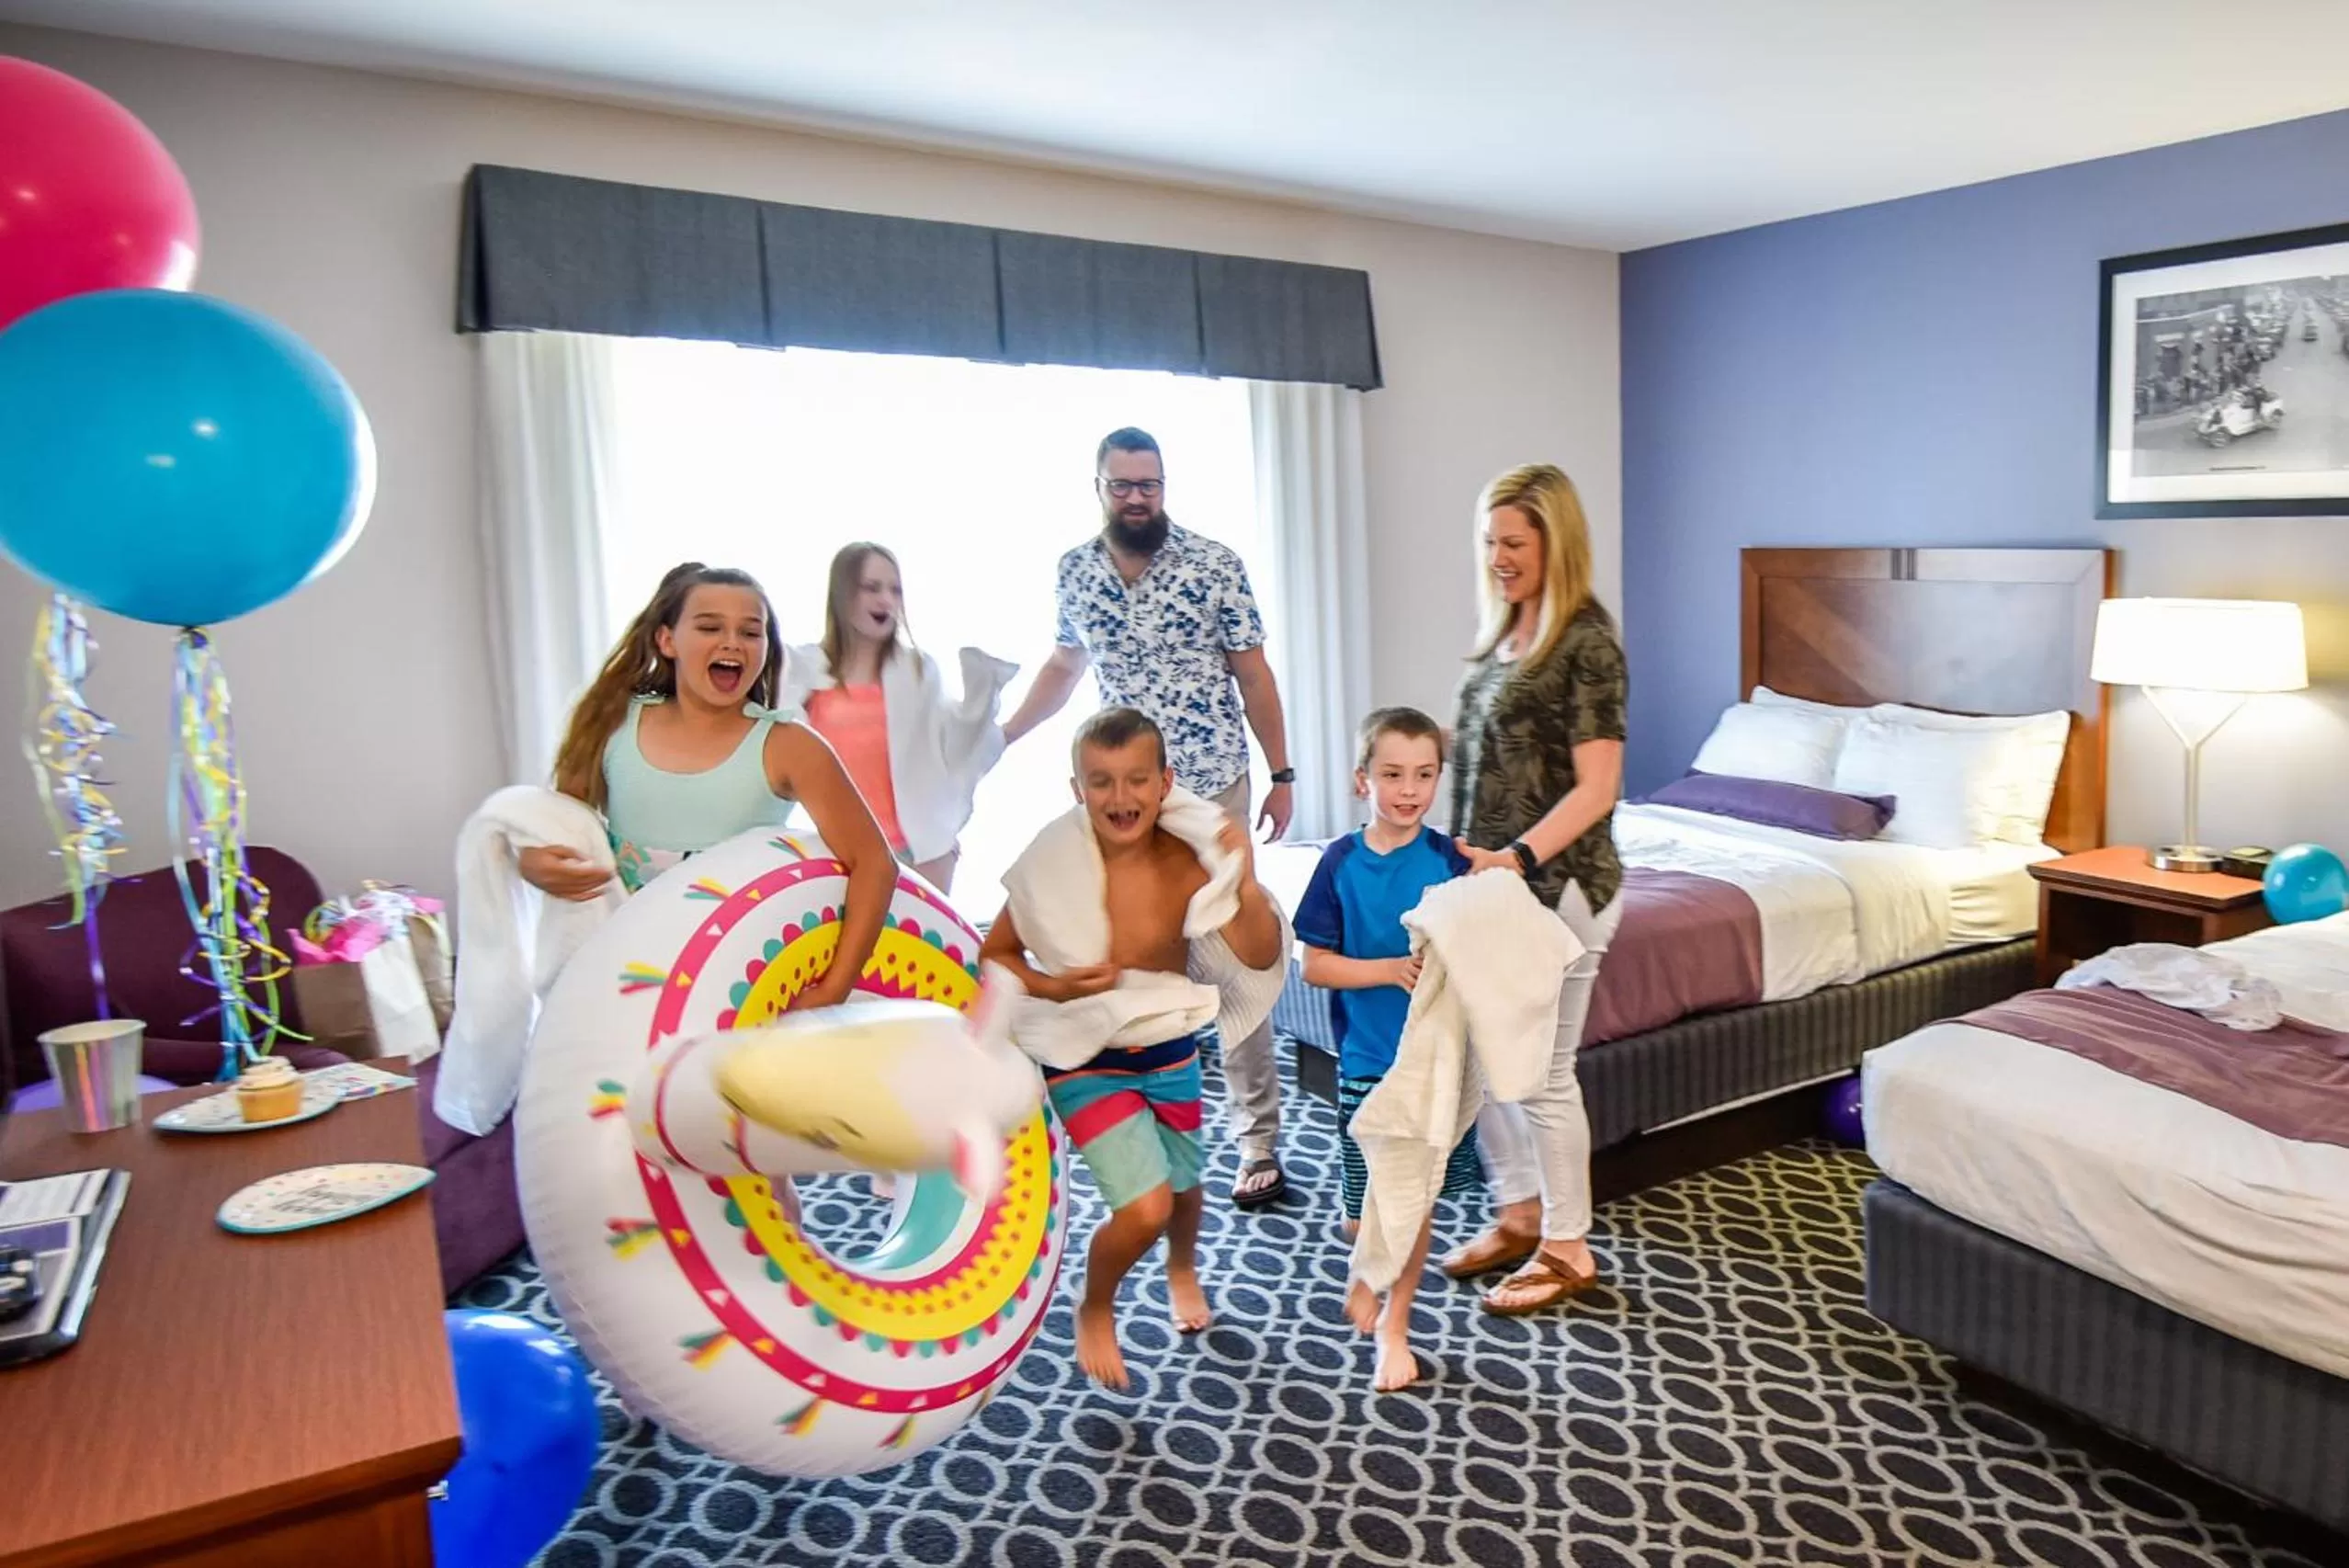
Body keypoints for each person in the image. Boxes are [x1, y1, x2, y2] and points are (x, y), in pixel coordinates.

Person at [1001, 426, 1299, 1210]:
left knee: (1232, 957)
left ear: (1166, 487)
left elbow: (1254, 673)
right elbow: (1065, 667)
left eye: (1151, 485)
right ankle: (1140, 1125)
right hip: (1124, 798)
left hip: (1206, 785)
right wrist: (999, 737)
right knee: (1131, 952)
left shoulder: (1213, 564)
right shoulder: (1076, 572)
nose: (1139, 498)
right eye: (1124, 485)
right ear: (1099, 487)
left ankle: (1257, 1139)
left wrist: (1283, 772)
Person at [979, 709, 1284, 1390]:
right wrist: (1053, 987)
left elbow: (1259, 953)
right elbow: (995, 954)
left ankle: (1182, 1268)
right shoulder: (1050, 862)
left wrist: (1248, 880)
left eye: (1137, 781)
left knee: (1184, 1190)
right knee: (1142, 1206)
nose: (1121, 799)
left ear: (1165, 781)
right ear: (1076, 788)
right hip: (1084, 1055)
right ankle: (1096, 1304)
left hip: (1168, 1048)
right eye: (1102, 783)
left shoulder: (1185, 863)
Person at [519, 562, 896, 1018]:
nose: (732, 642)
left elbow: (876, 864)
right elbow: (566, 833)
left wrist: (834, 988)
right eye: (709, 626)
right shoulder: (612, 724)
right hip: (625, 969)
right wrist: (534, 863)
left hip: (739, 976)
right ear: (666, 640)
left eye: (750, 632)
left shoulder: (790, 746)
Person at [1436, 464, 1630, 1316]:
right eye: (1490, 542)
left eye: (1514, 542)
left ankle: (1568, 1247)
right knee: (1481, 1058)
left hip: (1562, 889)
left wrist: (1514, 854)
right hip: (1493, 888)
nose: (1499, 557)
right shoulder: (1506, 631)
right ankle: (1516, 1212)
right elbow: (1488, 741)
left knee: (1544, 1076)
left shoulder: (1586, 641)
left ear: (1557, 542)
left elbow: (1598, 787)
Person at [1293, 707, 1480, 1392]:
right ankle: (1365, 1261)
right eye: (1393, 774)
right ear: (1360, 780)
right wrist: (1388, 971)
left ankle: (1395, 1328)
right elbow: (1313, 965)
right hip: (1366, 1061)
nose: (1409, 790)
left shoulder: (1451, 861)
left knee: (1412, 1203)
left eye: (1425, 775)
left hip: (1432, 1064)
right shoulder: (1338, 864)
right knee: (1362, 1211)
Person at [780, 542, 1017, 895]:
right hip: (840, 854)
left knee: (921, 949)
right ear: (844, 594)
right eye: (872, 588)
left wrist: (983, 692)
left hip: (920, 854)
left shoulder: (918, 671)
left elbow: (953, 748)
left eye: (895, 590)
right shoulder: (804, 670)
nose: (886, 600)